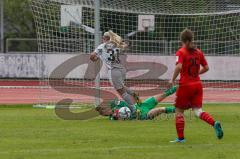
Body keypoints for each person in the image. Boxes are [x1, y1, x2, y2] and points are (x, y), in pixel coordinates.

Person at [168, 28, 223, 143]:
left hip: (185, 86)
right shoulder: (198, 52)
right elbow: (207, 68)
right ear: (191, 39)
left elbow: (178, 67)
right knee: (198, 111)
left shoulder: (181, 52)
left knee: (179, 112)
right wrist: (196, 73)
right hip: (197, 85)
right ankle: (214, 123)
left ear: (182, 40)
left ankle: (181, 138)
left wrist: (172, 79)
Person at [90, 30, 140, 114]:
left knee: (121, 92)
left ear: (104, 38)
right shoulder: (116, 45)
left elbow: (92, 56)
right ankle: (134, 94)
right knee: (122, 86)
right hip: (121, 69)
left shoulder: (101, 46)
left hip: (113, 70)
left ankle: (134, 109)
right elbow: (127, 45)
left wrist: (95, 59)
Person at [96, 85, 177, 120]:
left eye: (105, 108)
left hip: (142, 105)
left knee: (164, 94)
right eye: (104, 112)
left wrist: (136, 98)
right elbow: (122, 118)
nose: (106, 110)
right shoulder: (113, 117)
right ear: (104, 114)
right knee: (161, 109)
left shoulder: (115, 103)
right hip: (142, 115)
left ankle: (181, 86)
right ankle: (180, 109)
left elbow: (128, 103)